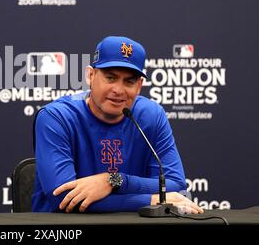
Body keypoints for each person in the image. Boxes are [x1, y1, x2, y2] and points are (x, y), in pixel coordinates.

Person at [32, 36, 203, 214]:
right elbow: (64, 198)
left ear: (139, 85)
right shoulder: (56, 117)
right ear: (91, 75)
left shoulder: (151, 115)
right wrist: (152, 200)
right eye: (110, 78)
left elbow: (174, 183)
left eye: (129, 81)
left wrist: (114, 181)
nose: (118, 90)